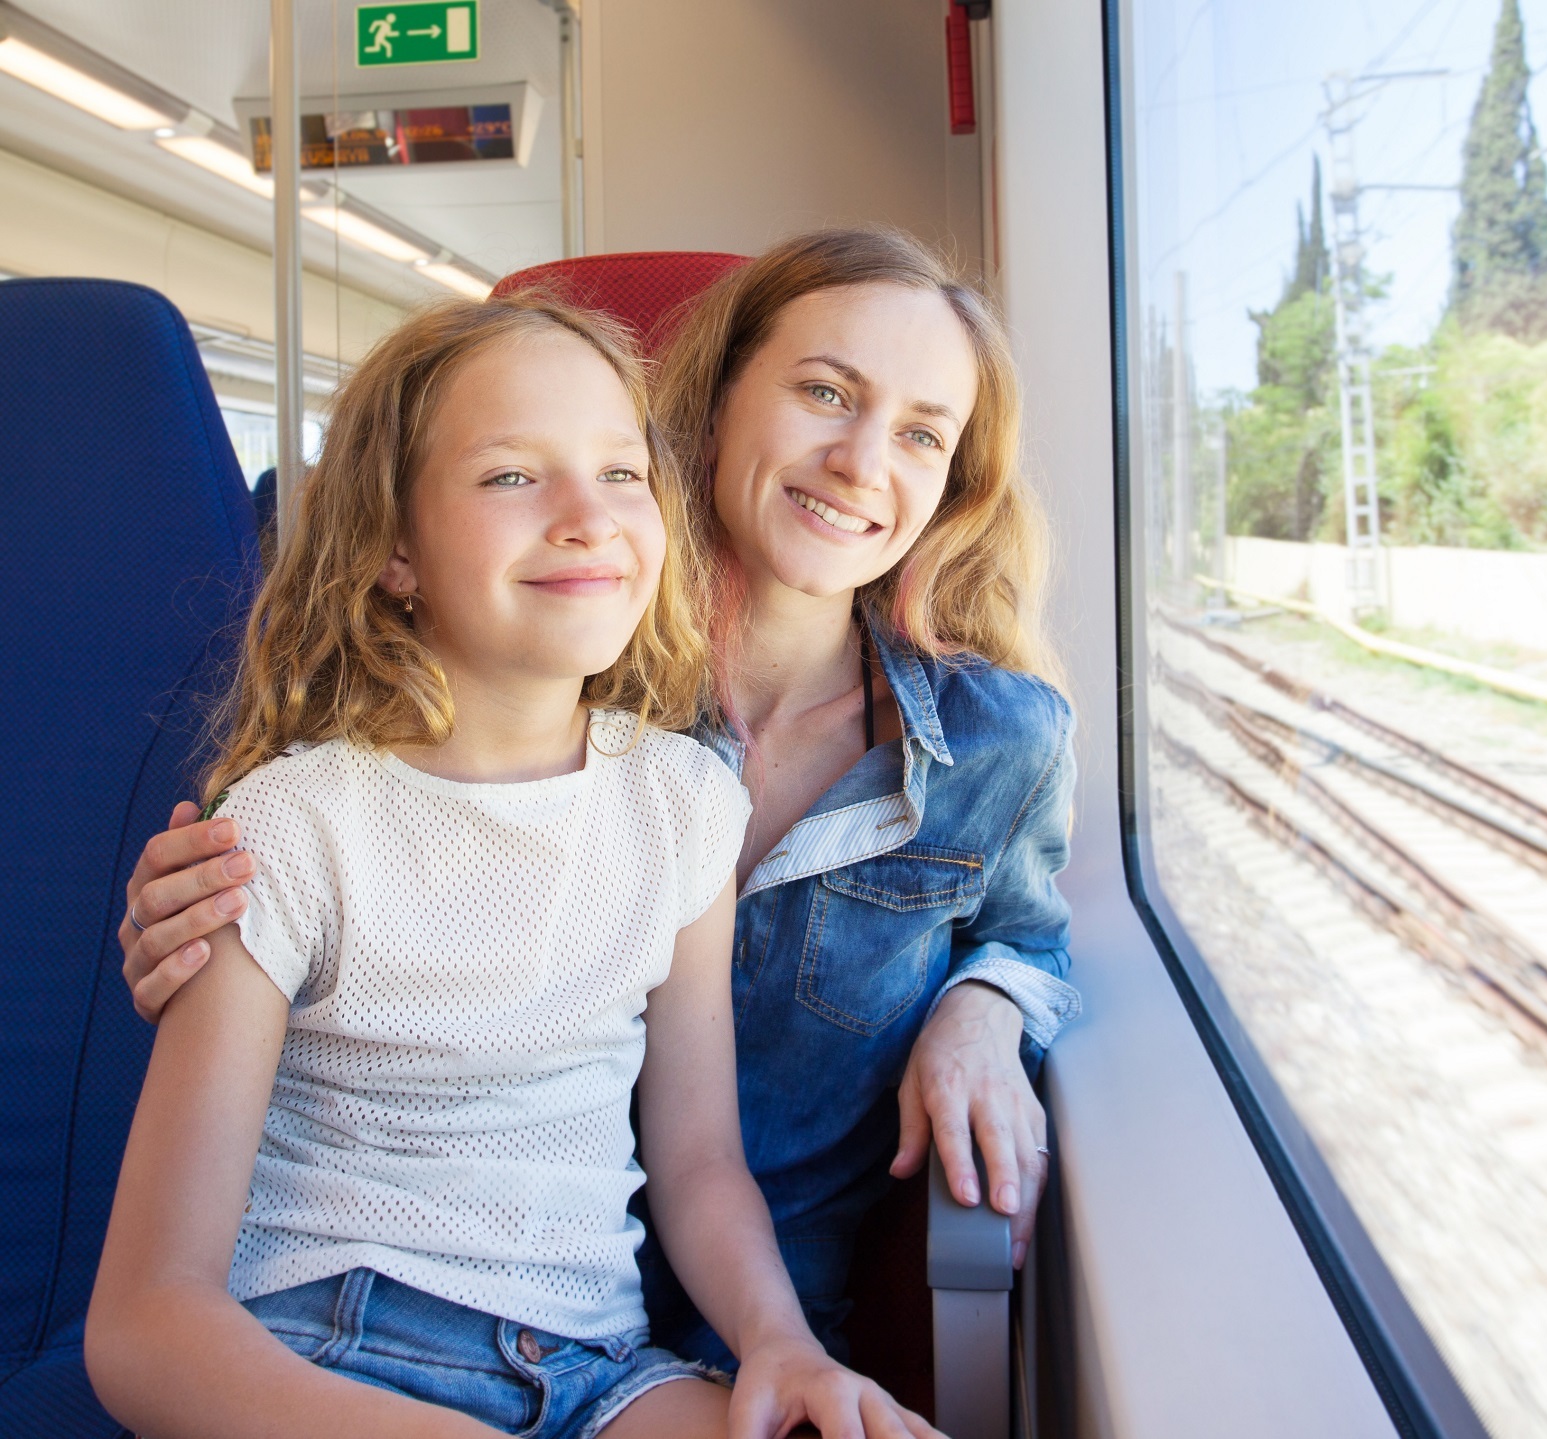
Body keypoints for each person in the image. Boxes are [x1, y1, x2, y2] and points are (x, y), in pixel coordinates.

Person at [115, 228, 1078, 1367]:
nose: (867, 462)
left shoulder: (996, 739)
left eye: (923, 433)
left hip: (722, 1332)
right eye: (825, 391)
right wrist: (192, 918)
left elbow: (1027, 933)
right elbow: (349, 850)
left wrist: (989, 1007)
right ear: (712, 407)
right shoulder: (544, 661)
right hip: (393, 1309)